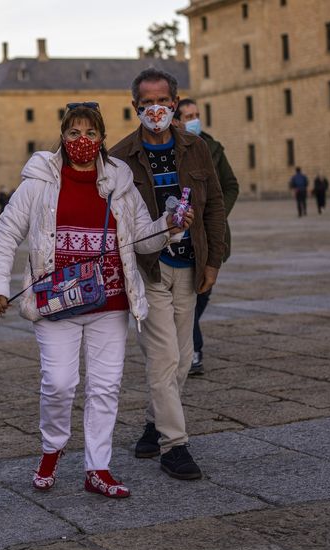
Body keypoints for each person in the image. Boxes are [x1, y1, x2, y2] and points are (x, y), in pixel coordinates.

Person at [0, 103, 188, 498]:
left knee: (105, 386)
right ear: (62, 136)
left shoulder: (119, 180)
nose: (82, 142)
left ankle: (98, 466)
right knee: (59, 383)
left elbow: (142, 236)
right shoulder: (39, 180)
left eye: (91, 134)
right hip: (56, 299)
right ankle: (52, 449)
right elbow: (7, 232)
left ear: (102, 138)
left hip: (109, 300)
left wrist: (170, 224)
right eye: (74, 133)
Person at [110, 68, 226, 481]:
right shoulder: (121, 156)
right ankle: (174, 446)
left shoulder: (196, 148)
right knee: (163, 359)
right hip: (149, 269)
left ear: (175, 103)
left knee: (177, 362)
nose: (155, 109)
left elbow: (213, 205)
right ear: (135, 107)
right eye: (147, 104)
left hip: (190, 264)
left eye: (163, 101)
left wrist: (214, 261)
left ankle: (153, 423)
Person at [173, 99, 239, 376]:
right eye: (189, 115)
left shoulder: (213, 147)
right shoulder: (168, 149)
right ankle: (194, 349)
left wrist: (216, 211)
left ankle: (185, 339)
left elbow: (231, 185)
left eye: (197, 115)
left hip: (211, 235)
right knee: (185, 296)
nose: (194, 119)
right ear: (176, 120)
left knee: (202, 294)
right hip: (179, 234)